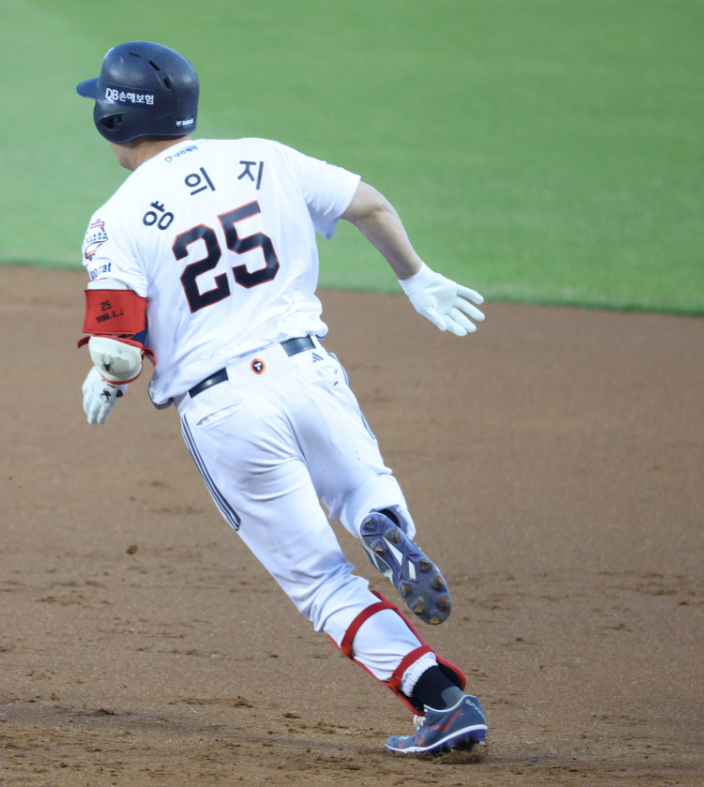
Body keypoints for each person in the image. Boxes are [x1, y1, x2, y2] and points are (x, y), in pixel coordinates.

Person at [74, 41, 488, 754]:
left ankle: (443, 702)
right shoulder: (263, 158)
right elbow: (369, 204)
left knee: (322, 582)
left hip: (227, 410)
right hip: (308, 369)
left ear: (114, 121)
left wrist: (108, 378)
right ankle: (378, 516)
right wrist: (416, 277)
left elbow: (118, 348)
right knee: (358, 492)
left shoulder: (114, 219)